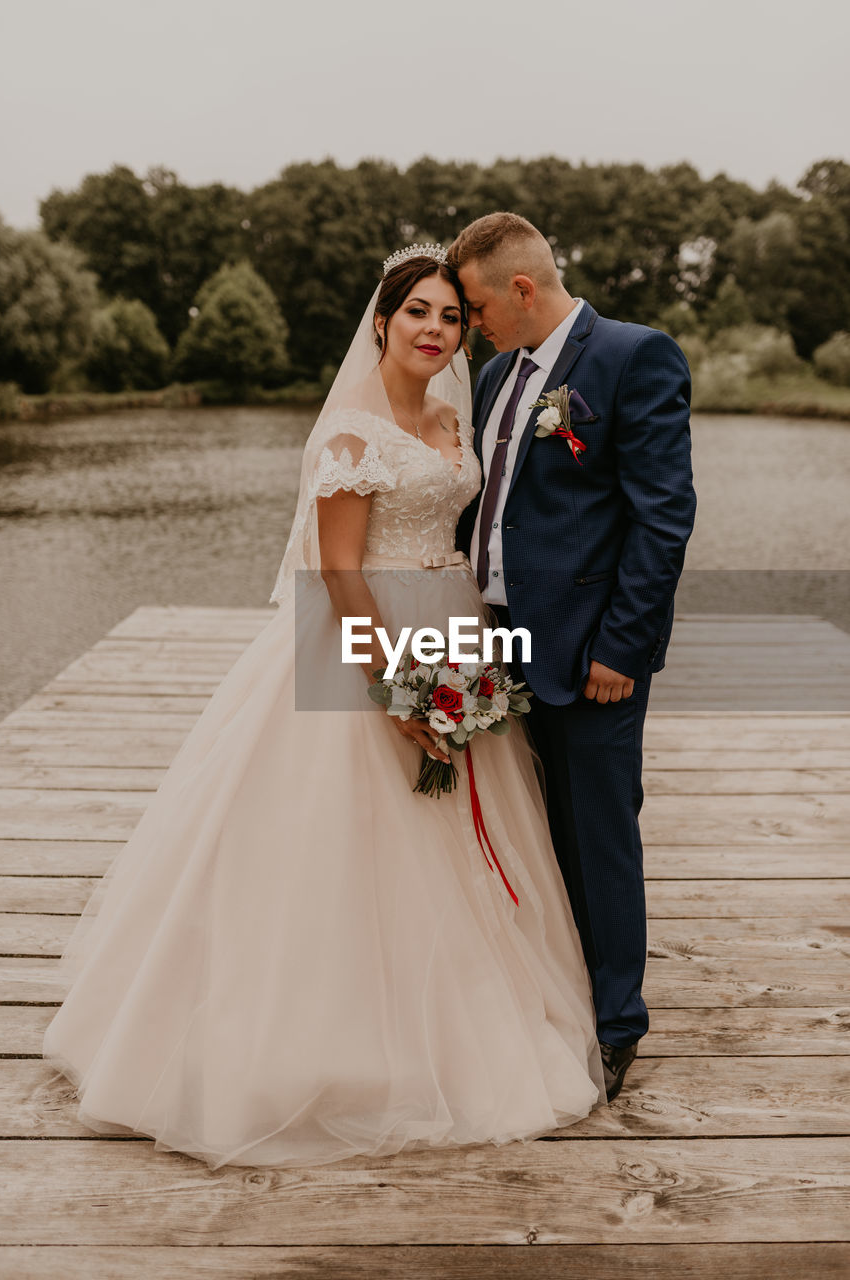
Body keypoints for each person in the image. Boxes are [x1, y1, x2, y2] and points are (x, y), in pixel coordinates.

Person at [41, 245, 604, 1170]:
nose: (435, 329)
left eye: (451, 317)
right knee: (344, 848)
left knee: (461, 837)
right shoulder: (349, 433)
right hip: (364, 642)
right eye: (417, 311)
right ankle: (329, 1046)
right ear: (380, 323)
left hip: (451, 632)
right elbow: (338, 569)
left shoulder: (455, 418)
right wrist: (389, 690)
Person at [448, 213, 697, 1102]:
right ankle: (550, 996)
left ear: (521, 290)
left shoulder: (634, 357)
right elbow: (486, 511)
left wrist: (622, 647)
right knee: (526, 833)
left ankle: (617, 1025)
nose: (469, 325)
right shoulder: (490, 377)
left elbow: (662, 519)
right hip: (499, 646)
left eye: (476, 306)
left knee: (598, 838)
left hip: (592, 653)